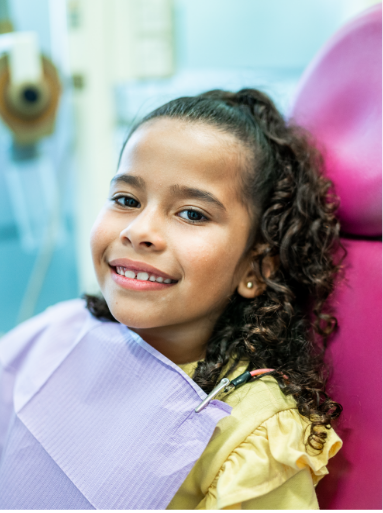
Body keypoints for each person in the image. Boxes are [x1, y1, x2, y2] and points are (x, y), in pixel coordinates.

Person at [0, 89, 343, 510]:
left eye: (192, 213)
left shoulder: (255, 433)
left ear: (256, 268)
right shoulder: (63, 330)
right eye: (127, 200)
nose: (139, 230)